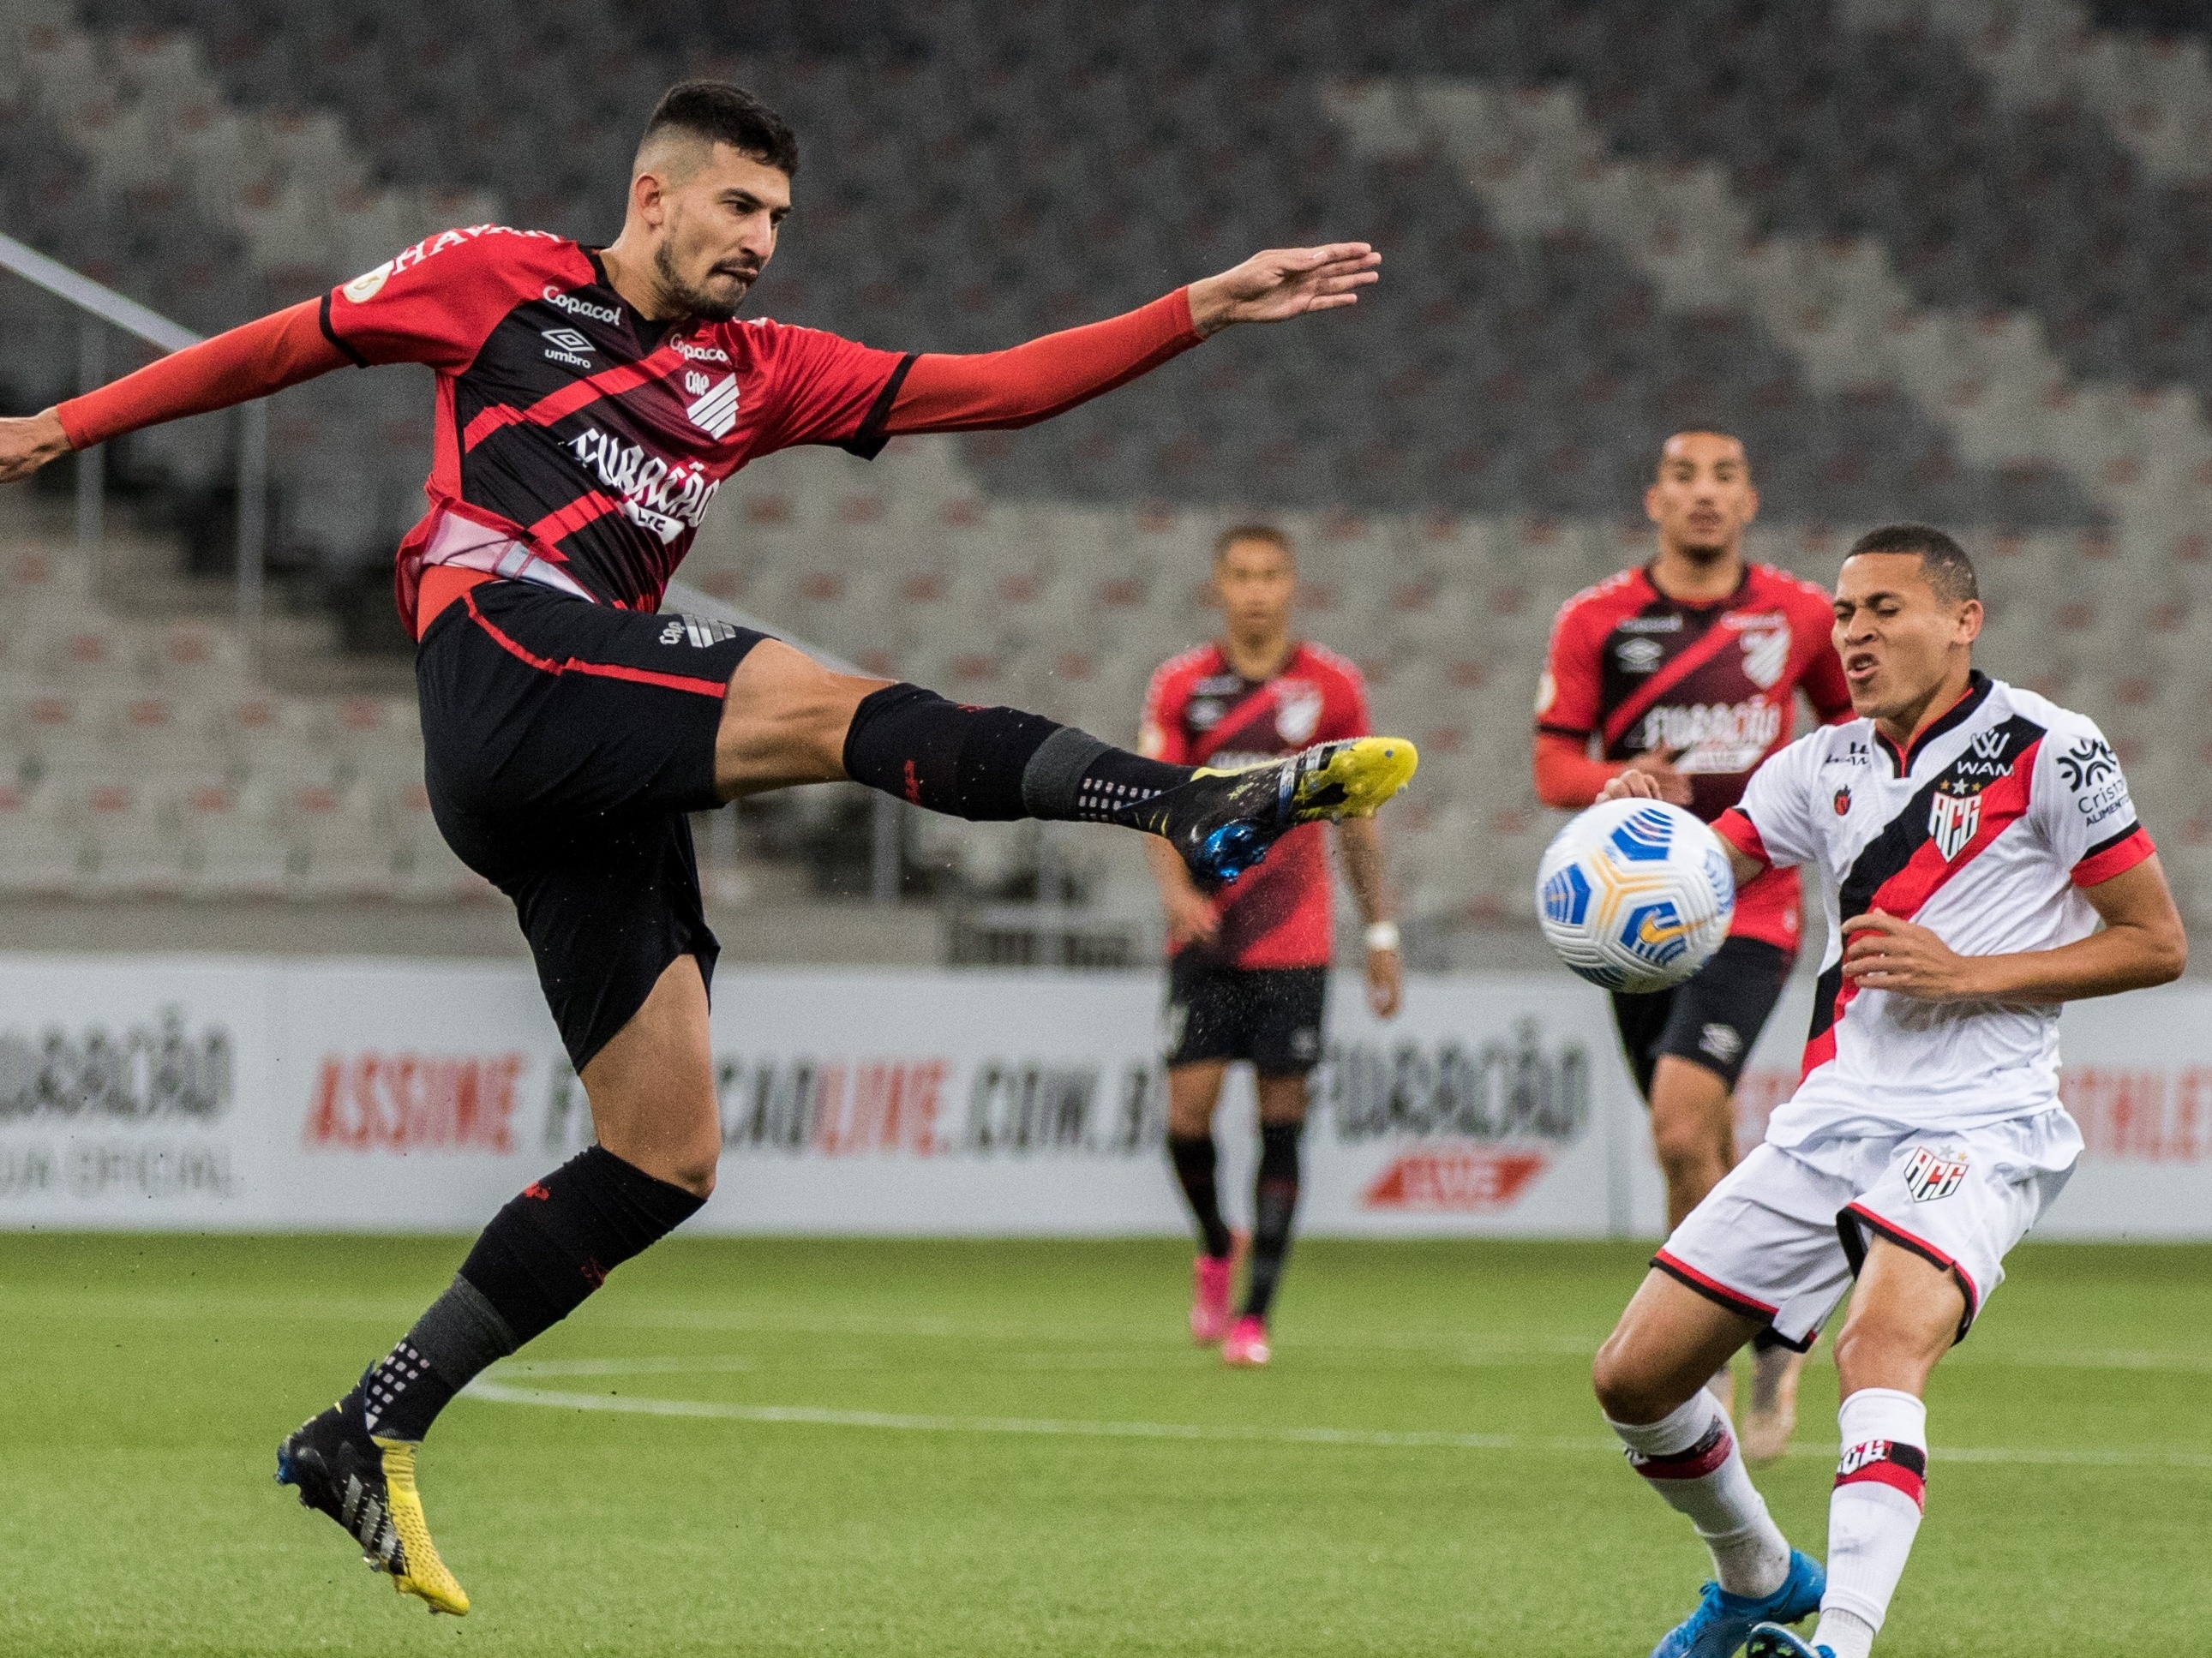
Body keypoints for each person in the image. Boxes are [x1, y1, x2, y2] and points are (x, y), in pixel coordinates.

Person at [0, 81, 1418, 1614]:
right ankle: (1187, 802)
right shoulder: (498, 277)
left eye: (780, 221)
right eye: (739, 208)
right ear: (654, 194)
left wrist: (1200, 307)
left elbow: (999, 388)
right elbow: (286, 341)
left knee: (664, 1155)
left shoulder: (758, 375)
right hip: (499, 656)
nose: (761, 243)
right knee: (834, 705)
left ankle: (369, 1421)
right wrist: (65, 423)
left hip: (577, 764)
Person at [1588, 524, 2184, 1658]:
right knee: (1635, 1375)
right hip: (1834, 1119)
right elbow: (1701, 877)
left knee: (1880, 1340)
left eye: (1885, 610)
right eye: (1845, 613)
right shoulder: (1818, 764)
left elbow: (2154, 942)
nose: (1854, 634)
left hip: (1981, 1119)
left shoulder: (2054, 748)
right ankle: (1759, 1574)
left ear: (1964, 619)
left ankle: (1842, 1642)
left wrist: (1970, 976)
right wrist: (1648, 820)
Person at [1535, 430, 1851, 1457]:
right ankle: (1770, 1332)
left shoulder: (1799, 614)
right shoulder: (1597, 618)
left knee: (1678, 1129)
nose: (1704, 495)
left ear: (1749, 499)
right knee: (1700, 1144)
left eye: (1723, 478)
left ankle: (1703, 1356)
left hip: (1747, 901)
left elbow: (1860, 734)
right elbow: (1551, 766)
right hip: (1631, 917)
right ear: (1654, 499)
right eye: (1684, 478)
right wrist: (1614, 780)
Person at [1141, 524, 1400, 1368]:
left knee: (1280, 1121)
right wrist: (1177, 891)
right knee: (1186, 1121)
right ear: (1217, 586)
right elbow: (1154, 802)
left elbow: (1357, 816)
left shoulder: (1330, 688)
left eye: (1270, 575)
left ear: (1292, 585)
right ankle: (1217, 1242)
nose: (1255, 590)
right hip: (1209, 932)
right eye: (1241, 575)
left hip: (1296, 940)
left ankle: (1255, 1316)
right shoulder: (1182, 687)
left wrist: (1381, 931)